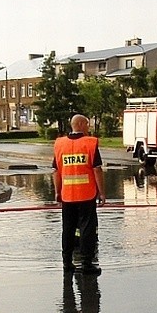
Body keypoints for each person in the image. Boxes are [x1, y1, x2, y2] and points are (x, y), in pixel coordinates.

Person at [52, 114, 106, 275]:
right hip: (86, 194)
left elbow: (56, 171)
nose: (88, 127)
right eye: (87, 124)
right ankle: (87, 264)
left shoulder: (60, 144)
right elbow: (97, 169)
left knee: (67, 228)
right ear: (81, 124)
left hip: (67, 194)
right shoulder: (90, 143)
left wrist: (57, 192)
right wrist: (102, 192)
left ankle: (67, 263)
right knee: (87, 228)